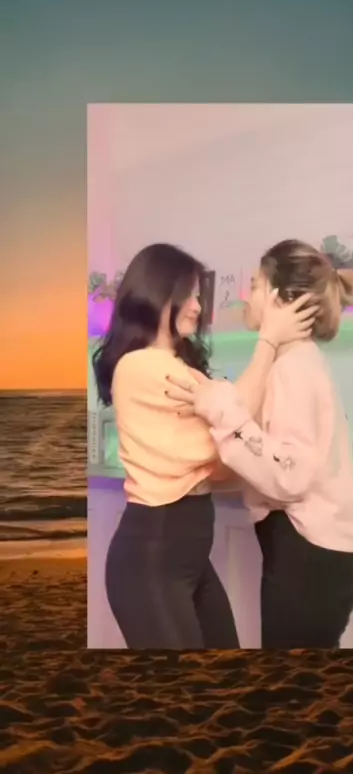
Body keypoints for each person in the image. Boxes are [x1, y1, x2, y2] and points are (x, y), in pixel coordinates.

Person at [92, 242, 316, 649]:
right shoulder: (140, 366)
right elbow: (232, 427)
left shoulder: (183, 370)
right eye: (190, 295)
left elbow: (228, 444)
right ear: (159, 294)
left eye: (199, 296)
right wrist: (268, 340)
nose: (198, 307)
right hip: (152, 558)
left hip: (187, 558)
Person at [166, 239, 353, 648]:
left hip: (309, 562)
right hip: (316, 559)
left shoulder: (293, 369)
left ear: (281, 300)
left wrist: (222, 411)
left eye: (255, 285)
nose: (246, 294)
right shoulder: (297, 364)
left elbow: (288, 474)